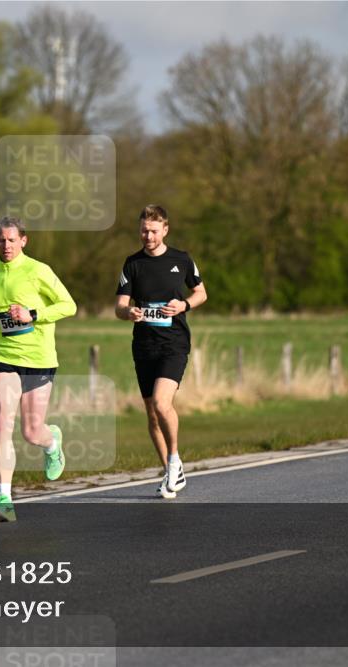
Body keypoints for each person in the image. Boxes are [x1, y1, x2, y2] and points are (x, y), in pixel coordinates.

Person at [0, 216, 76, 521]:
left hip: (39, 359)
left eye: (12, 240)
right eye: (1, 240)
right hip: (5, 356)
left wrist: (32, 315)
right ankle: (4, 499)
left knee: (31, 432)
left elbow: (69, 306)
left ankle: (52, 442)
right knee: (2, 423)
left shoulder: (39, 271)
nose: (7, 245)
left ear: (23, 241)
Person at [115, 204, 207, 498]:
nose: (148, 236)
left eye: (154, 231)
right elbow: (119, 306)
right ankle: (170, 472)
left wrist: (184, 305)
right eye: (144, 231)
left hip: (174, 343)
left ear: (165, 230)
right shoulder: (132, 264)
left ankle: (175, 459)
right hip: (144, 346)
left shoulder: (182, 259)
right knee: (152, 415)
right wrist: (128, 312)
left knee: (161, 402)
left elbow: (201, 293)